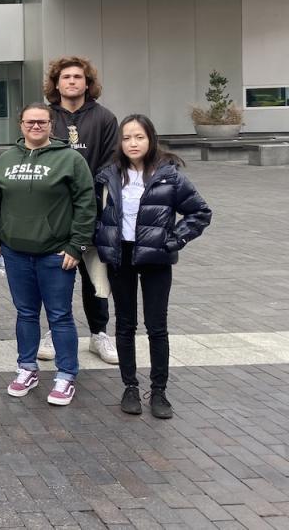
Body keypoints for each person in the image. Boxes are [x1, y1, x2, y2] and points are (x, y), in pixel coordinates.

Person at [94, 114, 211, 419]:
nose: (132, 143)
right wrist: (102, 240)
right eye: (127, 138)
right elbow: (95, 215)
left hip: (156, 259)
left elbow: (200, 212)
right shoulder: (108, 175)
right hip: (121, 257)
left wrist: (175, 240)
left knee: (156, 326)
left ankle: (158, 391)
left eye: (139, 137)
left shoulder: (168, 175)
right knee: (125, 323)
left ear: (151, 139)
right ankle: (130, 386)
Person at [0, 103, 94, 407]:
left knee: (60, 315)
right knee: (25, 313)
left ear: (51, 125)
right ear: (20, 125)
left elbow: (86, 204)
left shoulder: (71, 160)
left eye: (41, 122)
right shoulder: (7, 159)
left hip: (56, 254)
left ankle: (66, 374)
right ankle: (27, 368)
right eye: (29, 122)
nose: (35, 127)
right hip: (16, 252)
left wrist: (77, 246)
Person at [41, 56, 119, 365]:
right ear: (56, 83)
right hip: (54, 215)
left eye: (77, 77)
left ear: (87, 83)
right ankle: (53, 331)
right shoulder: (45, 117)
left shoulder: (105, 119)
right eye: (65, 77)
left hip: (94, 213)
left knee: (94, 278)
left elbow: (113, 164)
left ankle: (99, 333)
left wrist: (88, 196)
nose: (72, 81)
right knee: (55, 275)